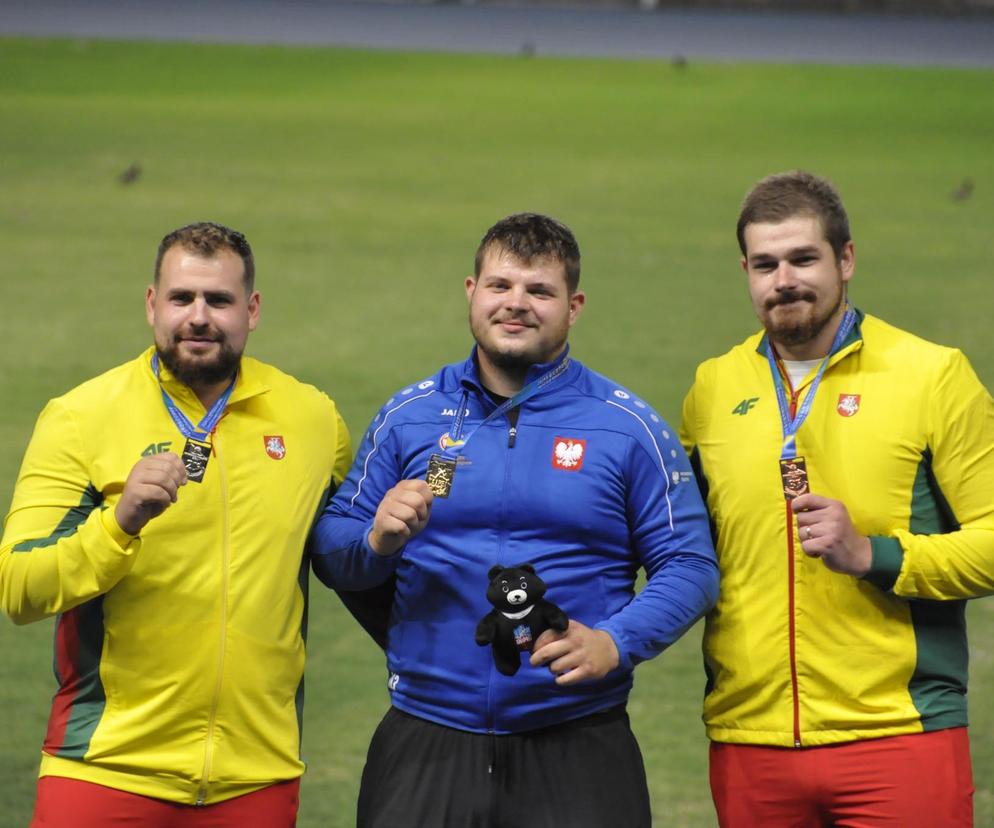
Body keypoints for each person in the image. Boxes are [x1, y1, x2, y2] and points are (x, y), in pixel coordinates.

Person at [311, 212, 719, 827]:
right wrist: (375, 541)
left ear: (573, 305)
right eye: (500, 285)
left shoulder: (626, 427)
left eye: (540, 290)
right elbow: (331, 545)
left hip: (579, 741)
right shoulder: (410, 417)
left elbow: (690, 563)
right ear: (471, 292)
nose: (516, 304)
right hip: (427, 737)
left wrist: (617, 640)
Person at [0, 222, 351, 827]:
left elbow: (347, 550)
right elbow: (19, 587)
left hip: (256, 778)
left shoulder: (313, 420)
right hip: (106, 768)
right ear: (151, 304)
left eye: (219, 300)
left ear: (253, 309)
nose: (199, 317)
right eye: (181, 297)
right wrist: (120, 522)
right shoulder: (81, 417)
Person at [680, 170, 994, 827]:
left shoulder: (931, 376)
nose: (783, 280)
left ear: (845, 259)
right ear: (745, 269)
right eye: (765, 264)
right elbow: (680, 545)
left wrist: (873, 554)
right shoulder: (713, 387)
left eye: (803, 259)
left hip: (899, 733)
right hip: (749, 739)